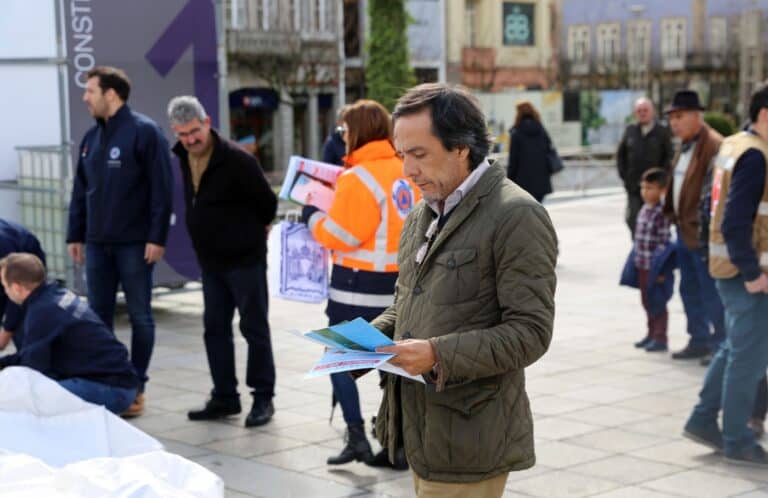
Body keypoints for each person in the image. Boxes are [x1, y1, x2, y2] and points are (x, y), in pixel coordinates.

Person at [371, 84, 557, 497]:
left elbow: (530, 333)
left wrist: (437, 354)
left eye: (419, 155)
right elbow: (407, 301)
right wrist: (365, 340)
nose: (407, 171)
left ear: (461, 147)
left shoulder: (516, 215)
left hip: (471, 434)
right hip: (421, 430)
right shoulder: (423, 211)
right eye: (402, 155)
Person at [301, 99, 419, 468]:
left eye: (344, 131)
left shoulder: (357, 178)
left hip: (356, 287)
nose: (343, 137)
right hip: (399, 286)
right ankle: (397, 445)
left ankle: (357, 438)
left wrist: (312, 217)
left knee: (337, 360)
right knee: (392, 365)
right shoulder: (406, 171)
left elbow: (341, 234)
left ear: (357, 132)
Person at [66, 66, 173, 417]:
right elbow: (81, 190)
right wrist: (75, 234)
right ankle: (109, 381)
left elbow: (162, 189)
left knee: (141, 317)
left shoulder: (144, 132)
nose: (85, 98)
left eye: (90, 91)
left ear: (111, 94)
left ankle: (136, 385)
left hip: (134, 244)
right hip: (97, 243)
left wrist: (157, 237)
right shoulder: (90, 139)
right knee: (98, 318)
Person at [168, 96, 278, 428]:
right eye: (182, 134)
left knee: (253, 328)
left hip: (245, 260)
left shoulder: (237, 160)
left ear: (207, 121)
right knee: (214, 330)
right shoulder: (183, 156)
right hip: (211, 263)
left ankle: (263, 398)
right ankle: (225, 397)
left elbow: (267, 205)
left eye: (194, 131)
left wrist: (248, 235)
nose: (190, 140)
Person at [683, 85, 768, 466]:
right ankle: (737, 439)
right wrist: (752, 273)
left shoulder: (735, 145)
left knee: (736, 348)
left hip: (729, 266)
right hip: (745, 271)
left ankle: (702, 419)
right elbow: (735, 222)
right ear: (765, 115)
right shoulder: (755, 155)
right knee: (747, 358)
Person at [0, 253, 139, 414]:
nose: (5, 291)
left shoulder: (42, 311)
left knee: (22, 399)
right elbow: (29, 354)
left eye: (4, 286)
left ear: (17, 287)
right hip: (118, 381)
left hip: (110, 388)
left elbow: (33, 369)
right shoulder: (55, 294)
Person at [663, 90, 725, 360]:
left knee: (711, 293)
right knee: (689, 289)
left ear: (697, 116)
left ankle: (721, 345)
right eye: (672, 118)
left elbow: (717, 193)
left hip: (702, 233)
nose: (674, 123)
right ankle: (698, 339)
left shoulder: (714, 144)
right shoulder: (684, 144)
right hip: (683, 231)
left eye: (680, 116)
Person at [620, 169, 674, 352]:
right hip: (642, 264)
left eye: (650, 188)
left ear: (663, 190)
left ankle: (660, 337)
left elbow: (666, 243)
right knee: (647, 301)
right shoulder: (645, 209)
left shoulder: (662, 213)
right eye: (643, 187)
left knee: (657, 301)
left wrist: (662, 270)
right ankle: (650, 333)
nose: (645, 192)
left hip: (656, 267)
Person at [617, 97, 674, 236]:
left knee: (656, 219)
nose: (642, 113)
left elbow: (669, 156)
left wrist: (662, 180)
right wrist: (626, 178)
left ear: (652, 111)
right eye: (639, 110)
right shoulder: (630, 130)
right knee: (632, 219)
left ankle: (653, 246)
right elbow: (620, 156)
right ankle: (638, 245)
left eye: (645, 110)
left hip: (656, 187)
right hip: (634, 187)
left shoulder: (662, 131)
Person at [0, 219, 46, 351]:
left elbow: (17, 294)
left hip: (23, 258)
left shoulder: (4, 246)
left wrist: (6, 334)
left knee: (23, 326)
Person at [506, 101, 556, 203]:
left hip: (522, 182)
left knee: (524, 212)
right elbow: (549, 150)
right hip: (541, 179)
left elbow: (513, 160)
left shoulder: (516, 133)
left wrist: (509, 180)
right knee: (537, 208)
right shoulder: (541, 130)